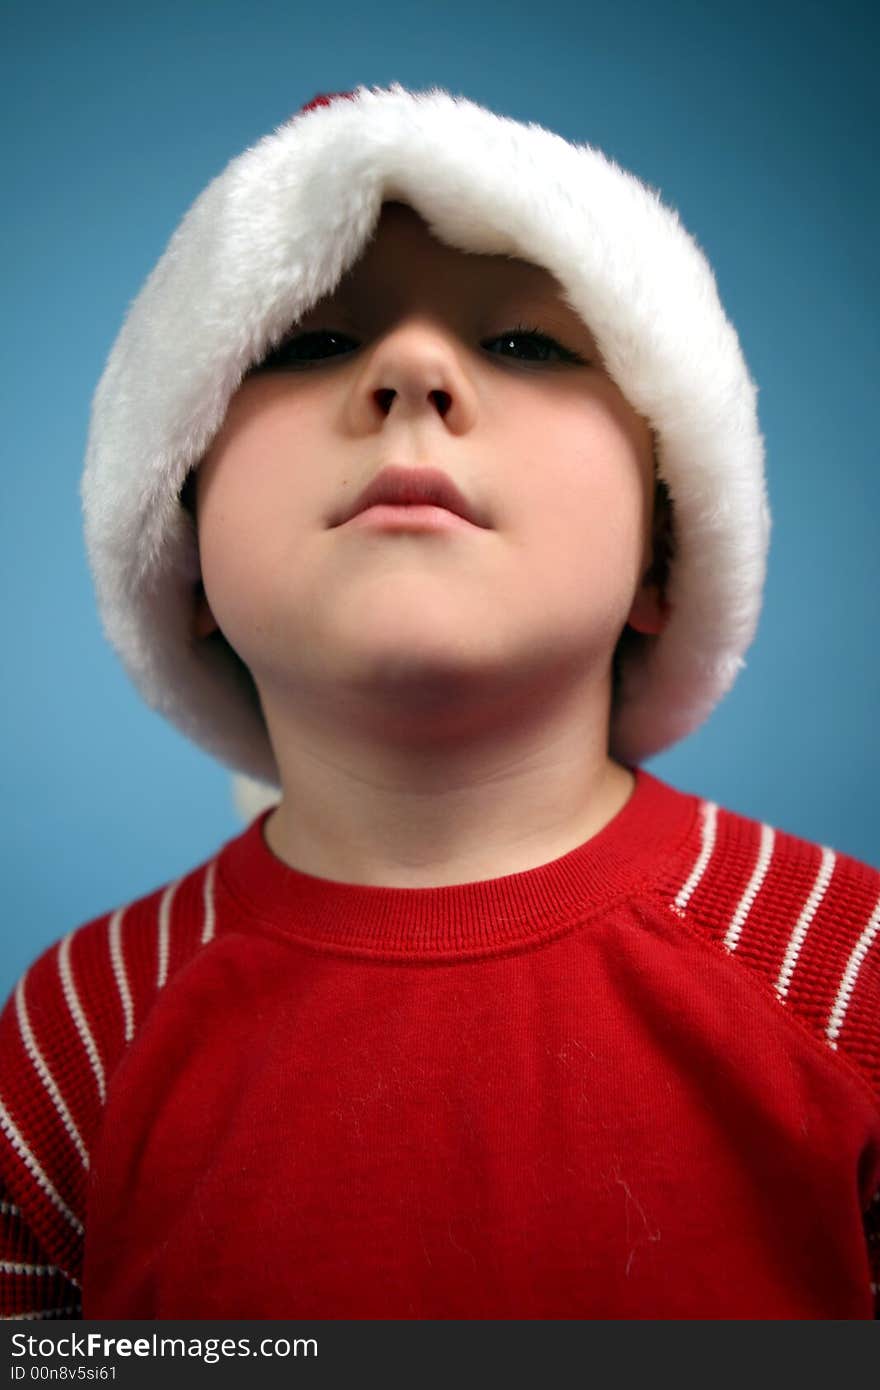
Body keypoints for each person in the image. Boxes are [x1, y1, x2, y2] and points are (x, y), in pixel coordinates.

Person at [1, 85, 878, 1322]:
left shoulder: (850, 974)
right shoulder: (73, 1033)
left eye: (527, 342)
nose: (412, 366)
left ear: (664, 554)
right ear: (177, 550)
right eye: (307, 341)